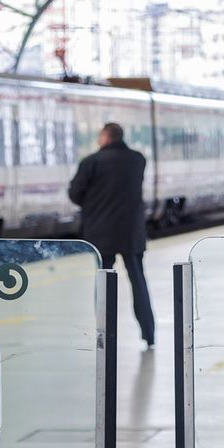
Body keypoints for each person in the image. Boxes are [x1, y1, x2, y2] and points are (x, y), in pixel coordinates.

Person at [69, 122, 157, 348]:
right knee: (138, 282)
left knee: (103, 285)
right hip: (131, 232)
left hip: (101, 234)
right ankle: (149, 334)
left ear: (106, 137)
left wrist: (93, 203)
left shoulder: (91, 162)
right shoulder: (138, 160)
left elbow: (75, 193)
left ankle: (104, 335)